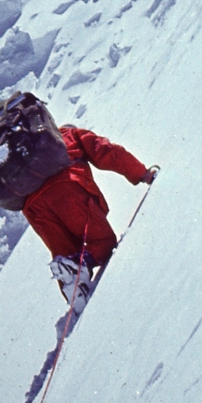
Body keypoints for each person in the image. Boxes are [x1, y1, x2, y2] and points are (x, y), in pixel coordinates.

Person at [23, 123, 156, 318]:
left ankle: (75, 295)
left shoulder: (26, 158)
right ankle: (82, 266)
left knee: (63, 254)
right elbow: (106, 151)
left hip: (33, 208)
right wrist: (141, 173)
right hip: (66, 188)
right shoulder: (71, 134)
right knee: (103, 241)